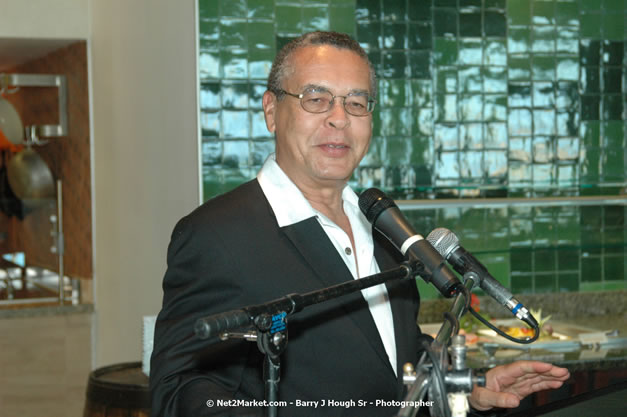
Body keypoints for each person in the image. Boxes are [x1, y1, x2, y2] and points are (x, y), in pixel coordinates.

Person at [149, 31, 569, 417]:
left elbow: (386, 359)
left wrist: (466, 388)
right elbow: (180, 389)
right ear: (272, 111)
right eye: (316, 99)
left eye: (356, 102)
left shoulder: (384, 226)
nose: (338, 118)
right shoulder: (216, 234)